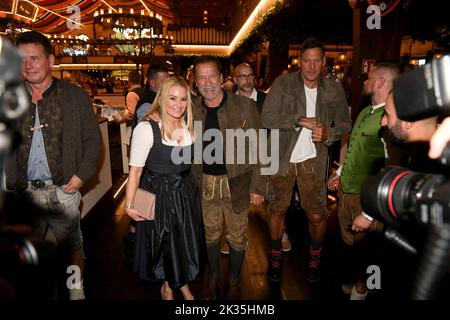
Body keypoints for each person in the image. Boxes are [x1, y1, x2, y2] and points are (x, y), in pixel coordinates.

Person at [6, 31, 102, 300]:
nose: (28, 65)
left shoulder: (75, 97)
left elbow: (93, 140)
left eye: (35, 58)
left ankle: (75, 288)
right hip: (24, 193)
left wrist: (82, 175)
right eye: (22, 60)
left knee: (72, 246)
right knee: (26, 249)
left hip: (63, 190)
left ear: (50, 59)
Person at [261, 37, 352, 284]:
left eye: (316, 61)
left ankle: (315, 255)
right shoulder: (284, 83)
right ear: (299, 61)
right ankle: (276, 255)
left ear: (323, 62)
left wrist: (329, 134)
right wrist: (298, 120)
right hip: (281, 158)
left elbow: (345, 123)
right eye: (306, 60)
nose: (311, 66)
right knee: (277, 210)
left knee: (315, 215)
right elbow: (267, 118)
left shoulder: (333, 88)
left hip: (314, 158)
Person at [192, 55, 266, 299]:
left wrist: (258, 187)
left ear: (222, 78)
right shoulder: (191, 110)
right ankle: (213, 276)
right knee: (210, 233)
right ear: (195, 82)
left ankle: (233, 279)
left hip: (238, 182)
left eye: (212, 75)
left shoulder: (245, 107)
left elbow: (260, 148)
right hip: (205, 183)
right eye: (201, 77)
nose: (208, 82)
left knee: (237, 235)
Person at [124, 77, 202, 300]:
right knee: (166, 243)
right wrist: (129, 205)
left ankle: (182, 282)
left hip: (186, 192)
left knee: (185, 241)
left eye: (184, 99)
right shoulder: (147, 128)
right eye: (173, 98)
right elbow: (135, 171)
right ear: (162, 98)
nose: (179, 104)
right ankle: (168, 286)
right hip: (160, 194)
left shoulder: (188, 126)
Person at [327, 62, 399, 299]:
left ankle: (362, 288)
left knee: (369, 249)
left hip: (368, 197)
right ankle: (360, 281)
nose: (365, 82)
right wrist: (339, 174)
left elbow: (392, 171)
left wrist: (369, 214)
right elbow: (355, 150)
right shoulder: (367, 110)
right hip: (347, 192)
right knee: (352, 246)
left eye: (369, 78)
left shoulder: (392, 119)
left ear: (380, 82)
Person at [123, 64, 170, 264]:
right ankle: (136, 248)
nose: (167, 85)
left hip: (151, 164)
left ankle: (135, 243)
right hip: (148, 166)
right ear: (152, 82)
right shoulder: (147, 103)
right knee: (143, 208)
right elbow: (148, 129)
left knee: (144, 208)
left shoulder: (159, 99)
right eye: (163, 82)